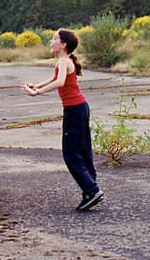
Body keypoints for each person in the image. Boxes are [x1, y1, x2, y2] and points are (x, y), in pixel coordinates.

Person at [21, 28, 103, 211]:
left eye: (54, 39)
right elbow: (54, 78)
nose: (51, 42)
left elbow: (60, 82)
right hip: (80, 108)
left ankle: (92, 190)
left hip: (74, 110)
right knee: (83, 150)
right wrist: (37, 85)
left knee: (71, 154)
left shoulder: (64, 61)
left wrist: (37, 93)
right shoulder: (64, 62)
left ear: (63, 44)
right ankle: (90, 189)